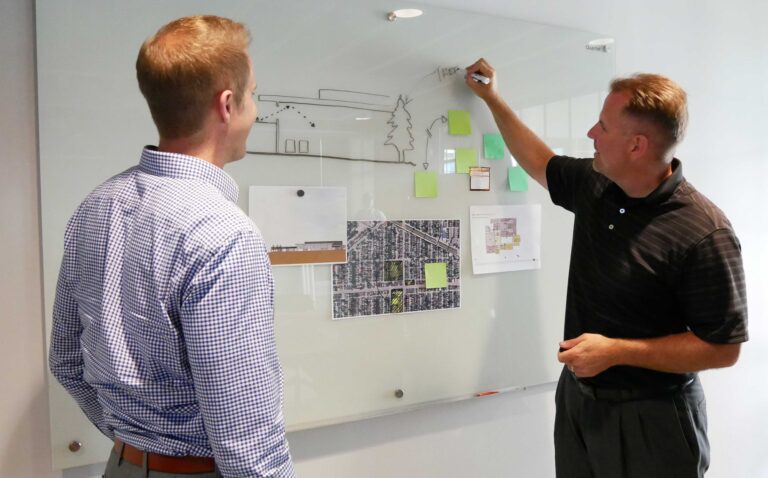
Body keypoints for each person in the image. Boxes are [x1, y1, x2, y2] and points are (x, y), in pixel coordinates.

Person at [465, 58, 748, 477]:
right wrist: (492, 98)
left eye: (603, 126)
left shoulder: (704, 232)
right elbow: (540, 161)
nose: (591, 134)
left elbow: (724, 348)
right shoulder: (598, 184)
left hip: (652, 419)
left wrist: (617, 352)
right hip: (580, 402)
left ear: (637, 145)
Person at [49, 15, 296, 478]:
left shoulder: (95, 207)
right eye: (254, 93)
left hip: (120, 466)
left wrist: (141, 445)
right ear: (227, 104)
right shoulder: (225, 234)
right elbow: (245, 434)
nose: (257, 109)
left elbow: (66, 361)